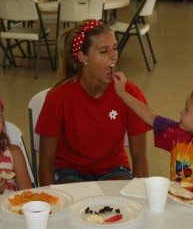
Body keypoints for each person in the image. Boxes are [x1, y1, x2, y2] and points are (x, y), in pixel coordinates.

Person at [36, 19, 151, 185]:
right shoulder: (58, 97)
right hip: (68, 171)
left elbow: (140, 158)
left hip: (114, 170)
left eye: (115, 47)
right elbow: (45, 164)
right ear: (83, 57)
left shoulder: (130, 94)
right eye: (104, 51)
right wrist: (52, 206)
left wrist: (141, 195)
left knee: (119, 204)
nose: (114, 56)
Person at [114, 73, 193, 189]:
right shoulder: (177, 135)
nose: (181, 111)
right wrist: (122, 93)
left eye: (187, 109)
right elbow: (151, 117)